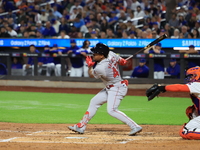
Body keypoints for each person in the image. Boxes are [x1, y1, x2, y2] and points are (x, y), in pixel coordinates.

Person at [68, 43, 142, 136]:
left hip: (116, 88)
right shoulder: (111, 53)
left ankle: (134, 126)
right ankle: (81, 126)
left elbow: (91, 75)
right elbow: (123, 62)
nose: (93, 55)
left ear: (102, 55)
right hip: (111, 87)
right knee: (94, 102)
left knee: (112, 110)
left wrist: (90, 66)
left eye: (95, 54)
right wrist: (119, 61)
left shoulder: (101, 68)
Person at [147, 66, 200, 140]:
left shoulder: (197, 84)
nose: (189, 78)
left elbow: (179, 88)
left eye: (191, 76)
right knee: (191, 110)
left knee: (185, 131)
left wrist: (163, 88)